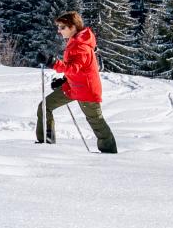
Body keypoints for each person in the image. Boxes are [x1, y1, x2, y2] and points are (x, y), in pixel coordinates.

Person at [36, 12, 117, 153]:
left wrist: (53, 62)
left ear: (72, 27)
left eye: (62, 27)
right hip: (73, 87)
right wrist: (64, 80)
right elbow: (77, 69)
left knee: (96, 121)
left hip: (86, 90)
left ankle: (110, 153)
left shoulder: (81, 46)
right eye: (59, 27)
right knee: (45, 106)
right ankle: (46, 144)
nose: (59, 30)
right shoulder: (76, 42)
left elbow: (73, 68)